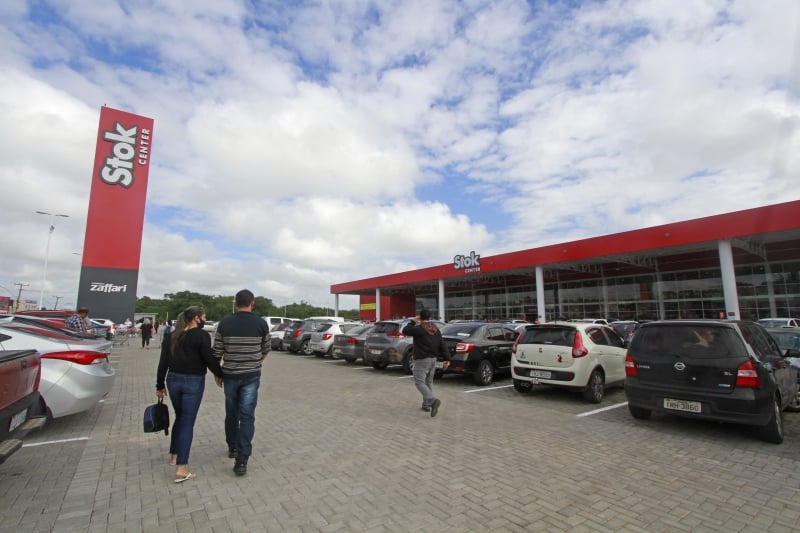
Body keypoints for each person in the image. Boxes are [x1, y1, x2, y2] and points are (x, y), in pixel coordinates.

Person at [155, 306, 223, 483]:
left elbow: (163, 362)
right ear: (196, 318)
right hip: (193, 381)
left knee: (180, 416)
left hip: (173, 380)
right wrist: (220, 374)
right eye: (204, 317)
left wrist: (160, 385)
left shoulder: (172, 336)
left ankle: (174, 454)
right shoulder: (201, 336)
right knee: (187, 420)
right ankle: (182, 467)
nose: (205, 320)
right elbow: (208, 358)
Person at [213, 289, 270, 476]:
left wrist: (217, 373)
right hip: (251, 375)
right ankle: (242, 459)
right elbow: (266, 348)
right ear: (252, 303)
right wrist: (256, 362)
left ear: (236, 303)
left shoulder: (225, 323)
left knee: (232, 412)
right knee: (247, 415)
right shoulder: (261, 323)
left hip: (230, 374)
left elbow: (217, 352)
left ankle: (233, 447)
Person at [402, 309, 451, 417]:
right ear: (430, 318)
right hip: (433, 359)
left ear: (420, 317)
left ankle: (432, 401)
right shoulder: (435, 329)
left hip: (422, 360)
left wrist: (412, 321)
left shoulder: (418, 329)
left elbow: (405, 331)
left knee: (419, 382)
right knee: (428, 382)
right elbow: (442, 344)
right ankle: (426, 405)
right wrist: (447, 358)